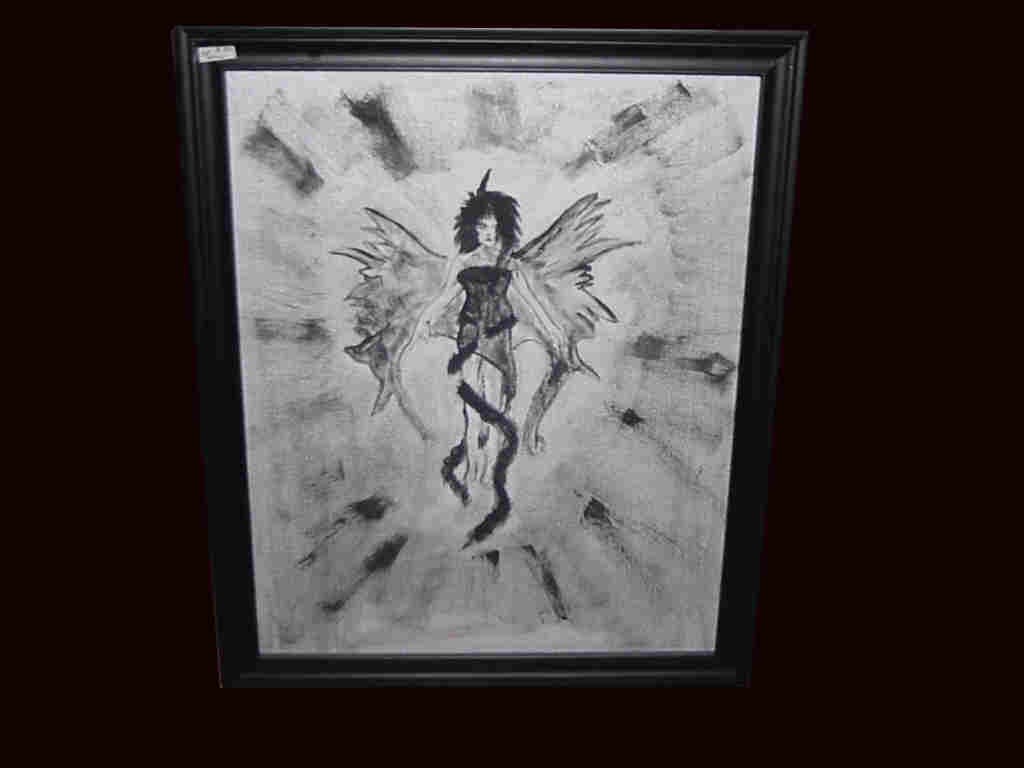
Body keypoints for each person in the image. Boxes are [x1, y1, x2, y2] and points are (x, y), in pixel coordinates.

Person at [416, 170, 522, 547]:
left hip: (499, 339)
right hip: (469, 337)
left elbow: (529, 298)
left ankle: (488, 473)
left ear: (501, 225)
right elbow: (445, 295)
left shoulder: (511, 259)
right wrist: (426, 319)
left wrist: (553, 333)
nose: (487, 232)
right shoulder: (462, 260)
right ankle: (474, 474)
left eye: (492, 225)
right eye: (481, 225)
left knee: (495, 405)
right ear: (472, 227)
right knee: (471, 410)